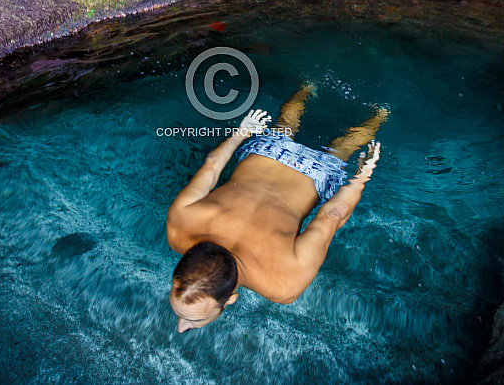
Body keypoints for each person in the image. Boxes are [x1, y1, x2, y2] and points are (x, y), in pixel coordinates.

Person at [166, 85, 387, 332]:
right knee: (286, 120)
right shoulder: (179, 228)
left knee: (345, 146)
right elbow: (212, 165)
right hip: (266, 152)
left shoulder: (283, 284)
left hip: (314, 173)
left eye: (193, 320)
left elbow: (331, 216)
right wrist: (241, 133)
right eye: (191, 319)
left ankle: (383, 111)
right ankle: (307, 86)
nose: (180, 327)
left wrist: (361, 177)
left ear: (231, 299)